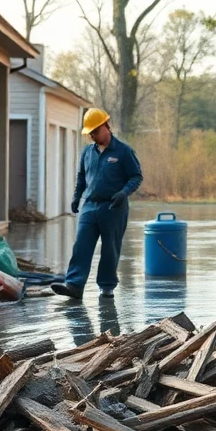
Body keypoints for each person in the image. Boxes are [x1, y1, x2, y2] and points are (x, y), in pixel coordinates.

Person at [50, 109, 143, 300]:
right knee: (81, 245)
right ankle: (74, 285)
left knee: (110, 248)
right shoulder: (87, 152)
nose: (92, 136)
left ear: (106, 126)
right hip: (90, 206)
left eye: (95, 131)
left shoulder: (123, 151)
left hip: (113, 207)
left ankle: (107, 286)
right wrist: (77, 197)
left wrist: (123, 193)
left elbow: (136, 176)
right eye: (90, 133)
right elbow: (82, 177)